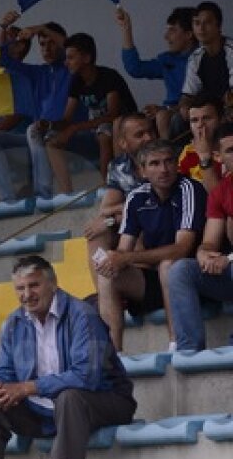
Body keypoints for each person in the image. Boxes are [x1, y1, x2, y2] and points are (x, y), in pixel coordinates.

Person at [0, 257, 136, 459]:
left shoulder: (83, 315)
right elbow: (4, 372)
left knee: (69, 396)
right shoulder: (14, 322)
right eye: (20, 288)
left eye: (34, 285)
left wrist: (27, 388)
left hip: (104, 401)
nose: (26, 295)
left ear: (53, 284)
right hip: (47, 411)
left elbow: (87, 377)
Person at [94, 140, 205, 351]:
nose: (163, 169)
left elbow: (182, 248)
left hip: (194, 277)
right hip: (157, 280)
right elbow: (124, 249)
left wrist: (126, 258)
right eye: (155, 163)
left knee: (168, 265)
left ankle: (176, 344)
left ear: (176, 164)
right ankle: (113, 354)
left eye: (168, 161)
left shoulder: (189, 189)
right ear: (142, 171)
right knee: (107, 275)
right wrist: (113, 260)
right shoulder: (136, 198)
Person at [28, 32, 137, 194]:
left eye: (71, 58)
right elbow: (67, 119)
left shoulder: (109, 77)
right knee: (52, 142)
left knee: (104, 133)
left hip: (120, 131)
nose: (66, 63)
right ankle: (67, 194)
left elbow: (112, 115)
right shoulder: (76, 81)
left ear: (86, 58)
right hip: (94, 131)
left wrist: (74, 128)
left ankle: (107, 188)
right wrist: (49, 124)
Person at [0, 16, 72, 202]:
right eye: (42, 44)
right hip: (37, 137)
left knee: (33, 129)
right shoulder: (38, 73)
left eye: (51, 43)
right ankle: (8, 200)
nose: (47, 48)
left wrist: (41, 28)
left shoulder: (71, 68)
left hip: (64, 132)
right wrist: (3, 28)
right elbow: (2, 60)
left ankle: (42, 195)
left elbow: (70, 46)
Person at [167, 122, 233, 351]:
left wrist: (229, 258)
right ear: (218, 156)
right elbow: (210, 241)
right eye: (231, 150)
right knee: (180, 270)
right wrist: (204, 254)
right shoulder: (221, 192)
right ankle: (190, 352)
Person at [82, 113, 156, 284]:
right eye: (140, 134)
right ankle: (103, 290)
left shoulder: (164, 160)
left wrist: (117, 217)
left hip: (160, 223)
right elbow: (106, 209)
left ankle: (145, 287)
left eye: (151, 132)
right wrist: (113, 218)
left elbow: (153, 207)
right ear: (123, 143)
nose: (148, 138)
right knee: (96, 234)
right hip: (131, 221)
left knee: (133, 229)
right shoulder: (118, 166)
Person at [117, 5, 197, 139]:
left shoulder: (202, 59)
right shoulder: (168, 59)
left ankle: (165, 151)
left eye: (172, 30)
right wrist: (126, 28)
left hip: (184, 115)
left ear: (189, 34)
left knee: (162, 116)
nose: (166, 36)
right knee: (119, 123)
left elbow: (201, 99)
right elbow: (135, 69)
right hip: (166, 113)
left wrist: (166, 110)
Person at [180, 1, 233, 120]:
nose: (201, 28)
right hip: (208, 110)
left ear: (218, 26)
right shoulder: (195, 58)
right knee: (177, 119)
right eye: (197, 23)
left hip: (227, 109)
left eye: (207, 22)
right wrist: (185, 106)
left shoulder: (230, 51)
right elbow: (188, 95)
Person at [177, 95, 225, 191]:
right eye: (194, 120)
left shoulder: (230, 149)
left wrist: (204, 156)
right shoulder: (188, 152)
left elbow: (220, 197)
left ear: (221, 120)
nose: (200, 125)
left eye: (207, 118)